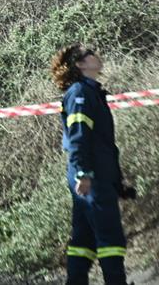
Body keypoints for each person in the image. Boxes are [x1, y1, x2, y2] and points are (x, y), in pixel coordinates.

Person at [50, 43, 132, 285]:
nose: (97, 54)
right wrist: (84, 172)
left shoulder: (90, 92)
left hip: (96, 173)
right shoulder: (80, 94)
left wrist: (116, 183)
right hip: (90, 175)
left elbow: (101, 143)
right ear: (81, 64)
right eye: (91, 52)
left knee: (83, 241)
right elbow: (78, 137)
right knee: (110, 239)